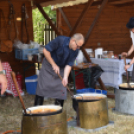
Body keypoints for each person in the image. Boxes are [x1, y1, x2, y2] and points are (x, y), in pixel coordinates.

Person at [34, 33, 84, 107]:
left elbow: (69, 64)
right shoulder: (60, 40)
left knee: (61, 92)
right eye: (78, 45)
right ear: (73, 40)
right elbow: (45, 51)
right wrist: (53, 64)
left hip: (61, 69)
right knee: (41, 89)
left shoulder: (75, 51)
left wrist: (65, 77)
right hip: (48, 66)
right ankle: (36, 113)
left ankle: (58, 113)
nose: (78, 48)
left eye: (80, 46)